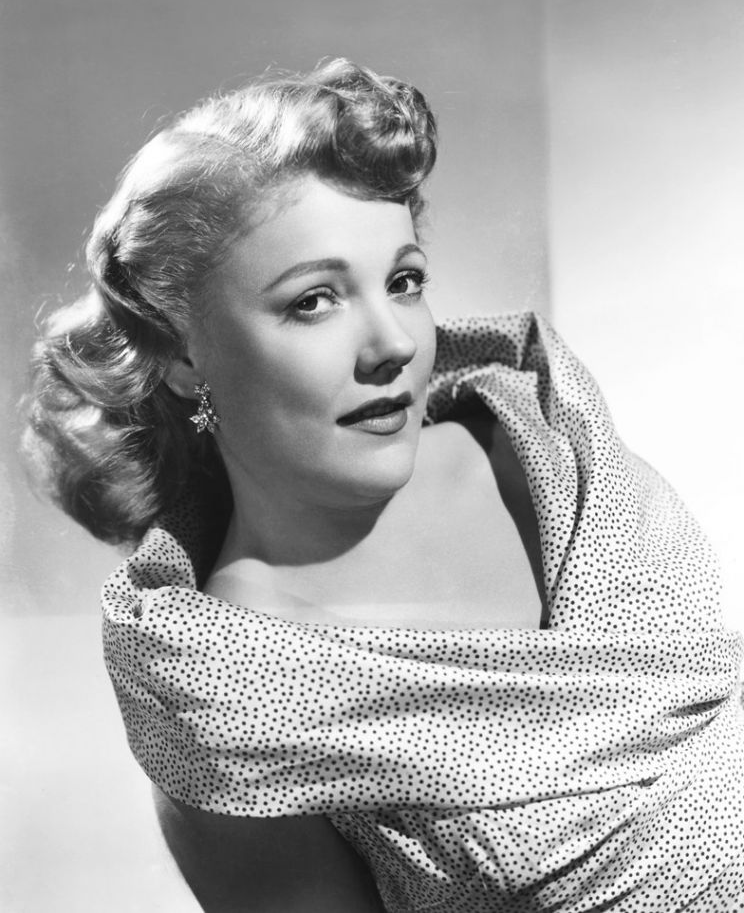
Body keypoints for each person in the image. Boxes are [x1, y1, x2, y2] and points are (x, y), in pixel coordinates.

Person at [23, 59, 744, 912]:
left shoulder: (545, 441)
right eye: (313, 301)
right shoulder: (224, 697)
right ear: (183, 355)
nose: (392, 343)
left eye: (404, 282)